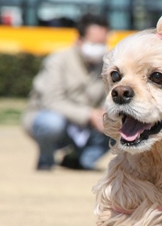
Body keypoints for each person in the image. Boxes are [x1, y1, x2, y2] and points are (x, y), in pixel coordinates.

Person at [22, 14, 110, 171]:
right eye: (94, 43)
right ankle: (46, 159)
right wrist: (89, 115)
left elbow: (107, 98)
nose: (99, 48)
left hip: (87, 127)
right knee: (52, 123)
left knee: (120, 123)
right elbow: (51, 101)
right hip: (52, 120)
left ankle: (80, 160)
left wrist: (105, 114)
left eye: (102, 43)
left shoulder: (107, 64)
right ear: (79, 40)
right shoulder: (57, 61)